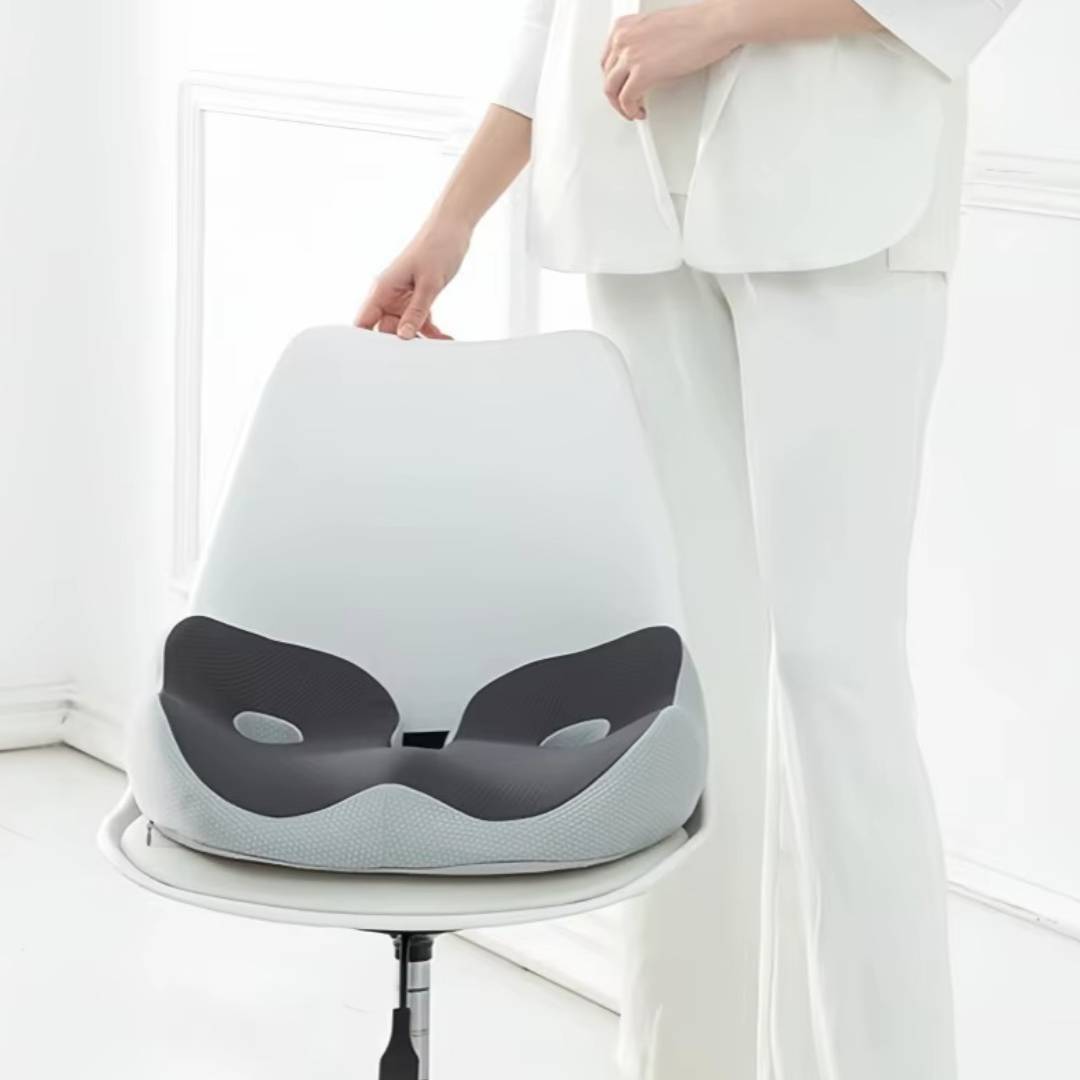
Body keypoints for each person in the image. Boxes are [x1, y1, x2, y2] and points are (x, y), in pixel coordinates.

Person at [353, 2, 1023, 1077]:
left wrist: (725, 22)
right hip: (632, 204)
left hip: (844, 194)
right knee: (687, 678)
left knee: (834, 670)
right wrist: (453, 219)